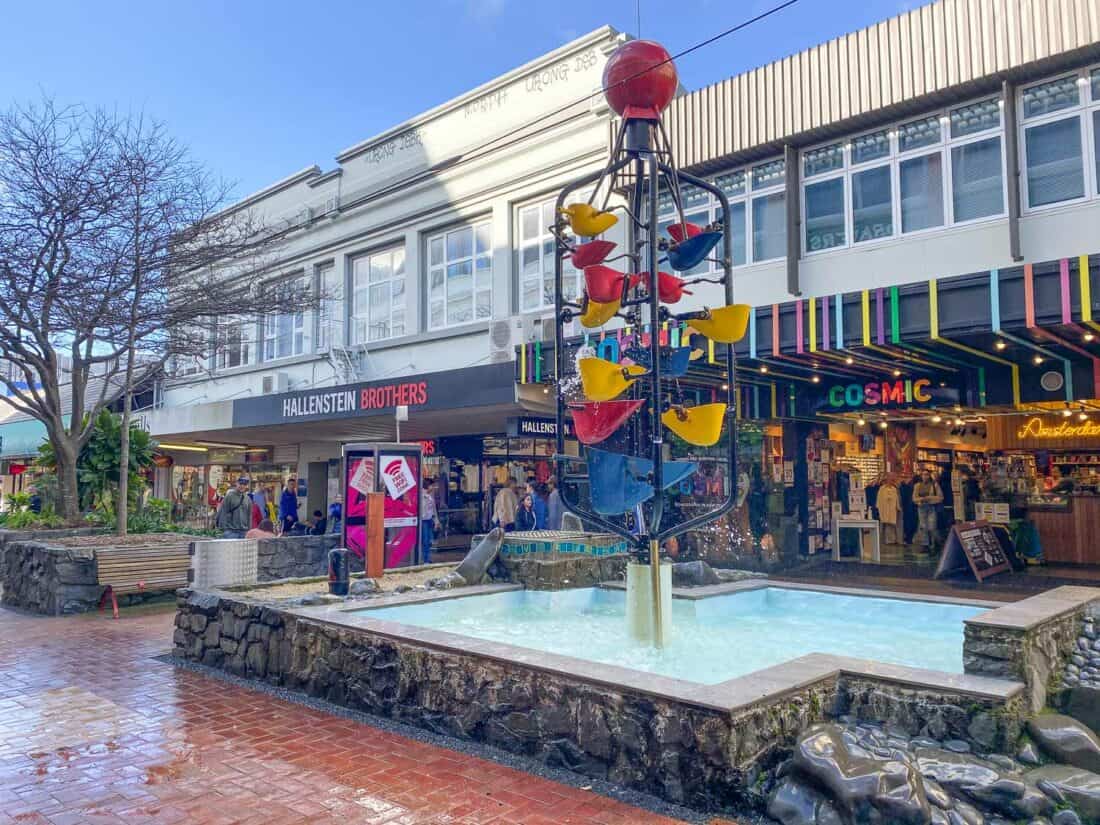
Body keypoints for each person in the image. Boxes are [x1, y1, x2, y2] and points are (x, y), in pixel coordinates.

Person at [913, 469, 944, 550]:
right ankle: (925, 544)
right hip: (921, 507)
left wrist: (930, 498)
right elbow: (914, 498)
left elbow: (940, 497)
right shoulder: (917, 486)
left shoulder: (934, 485)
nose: (925, 476)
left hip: (931, 507)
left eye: (926, 474)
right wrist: (921, 500)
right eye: (923, 474)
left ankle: (936, 541)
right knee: (923, 526)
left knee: (932, 526)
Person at [420, 480, 437, 563]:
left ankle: (427, 558)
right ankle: (425, 560)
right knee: (425, 540)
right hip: (424, 521)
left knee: (429, 540)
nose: (433, 487)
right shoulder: (422, 495)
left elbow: (433, 508)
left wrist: (436, 519)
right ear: (428, 486)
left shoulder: (430, 496)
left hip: (429, 520)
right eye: (432, 486)